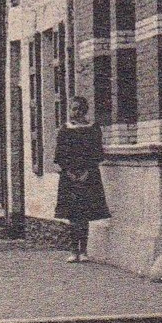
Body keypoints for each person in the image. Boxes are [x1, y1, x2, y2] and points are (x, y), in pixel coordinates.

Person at [54, 95, 109, 263]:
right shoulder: (65, 129)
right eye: (73, 108)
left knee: (85, 213)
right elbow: (60, 154)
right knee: (72, 215)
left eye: (79, 109)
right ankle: (73, 250)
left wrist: (87, 171)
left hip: (88, 175)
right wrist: (69, 171)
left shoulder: (93, 128)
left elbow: (97, 152)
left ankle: (84, 250)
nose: (75, 112)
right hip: (69, 176)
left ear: (84, 110)